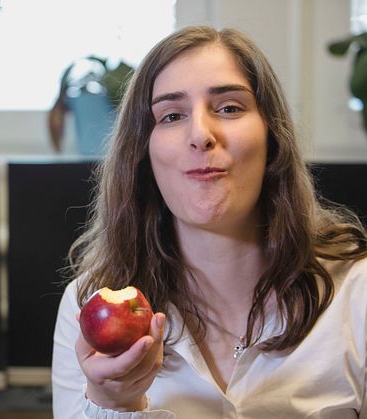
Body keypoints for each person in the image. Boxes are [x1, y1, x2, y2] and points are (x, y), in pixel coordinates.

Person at [52, 25, 367, 418]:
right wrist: (115, 404)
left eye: (229, 108)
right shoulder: (85, 307)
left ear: (273, 138)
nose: (201, 134)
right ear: (142, 153)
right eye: (171, 115)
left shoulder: (358, 292)